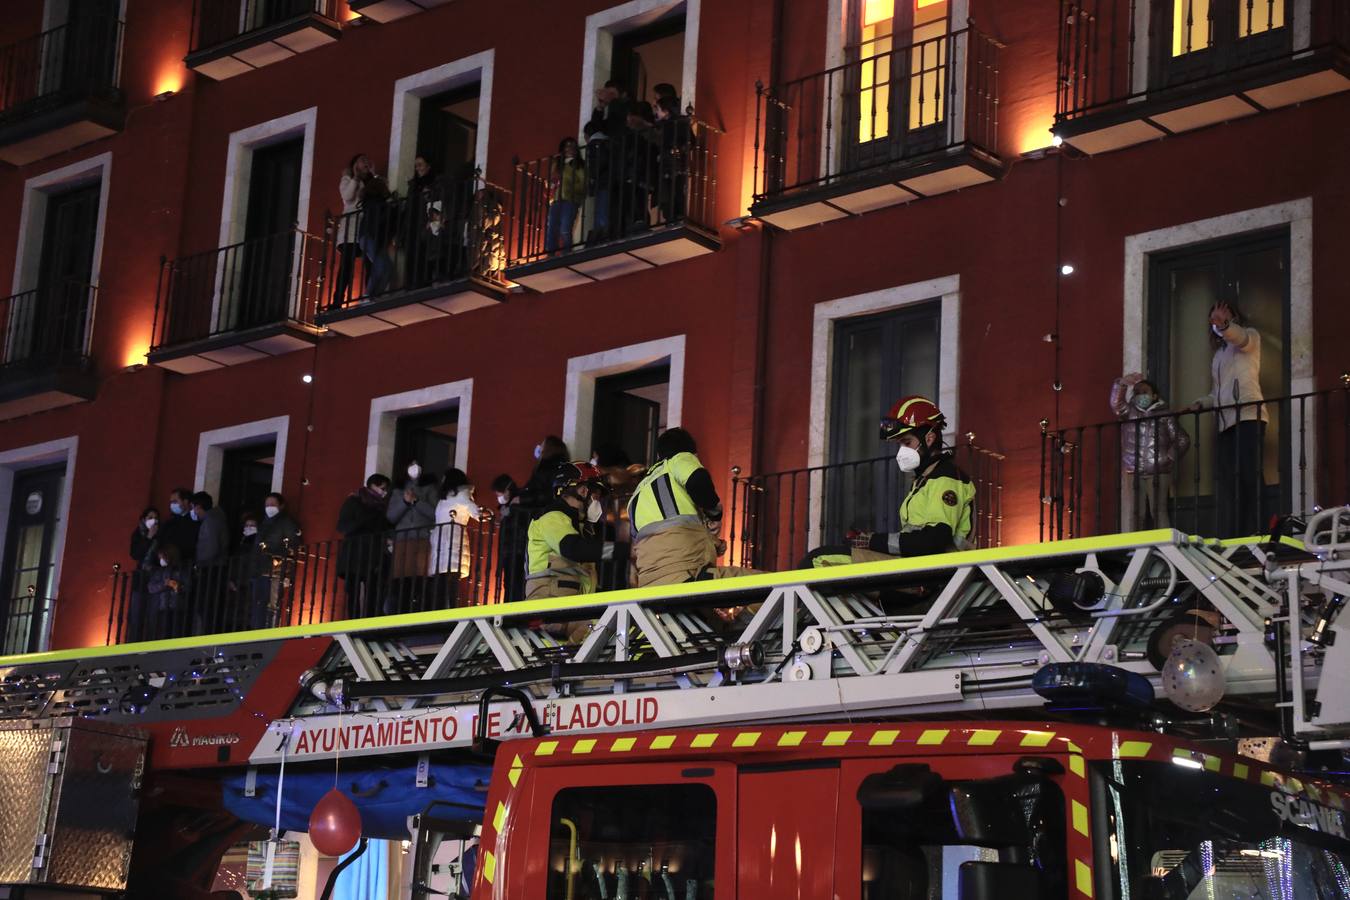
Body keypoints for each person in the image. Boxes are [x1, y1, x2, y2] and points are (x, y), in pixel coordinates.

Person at [808, 397, 975, 566]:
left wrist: (872, 541)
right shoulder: (924, 479)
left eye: (907, 442)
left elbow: (934, 540)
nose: (901, 451)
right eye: (899, 444)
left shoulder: (946, 477)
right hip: (916, 567)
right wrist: (870, 541)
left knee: (817, 559)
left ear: (930, 439)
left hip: (935, 573)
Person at [627, 428, 757, 587]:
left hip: (651, 586)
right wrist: (715, 514)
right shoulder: (678, 459)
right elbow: (697, 480)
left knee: (709, 612)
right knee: (769, 585)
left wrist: (712, 543)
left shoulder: (636, 495)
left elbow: (662, 541)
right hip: (689, 577)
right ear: (692, 453)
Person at [1190, 301, 1268, 538]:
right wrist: (1202, 403)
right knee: (1231, 481)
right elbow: (1217, 392)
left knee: (1249, 475)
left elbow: (1241, 339)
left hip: (1248, 416)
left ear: (1234, 318)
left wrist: (1225, 325)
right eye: (1213, 318)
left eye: (1223, 317)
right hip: (1225, 422)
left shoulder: (1250, 338)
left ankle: (1259, 530)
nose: (1217, 322)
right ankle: (1237, 533)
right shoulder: (1219, 355)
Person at [525, 462, 626, 603]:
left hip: (567, 606)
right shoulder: (552, 517)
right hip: (550, 605)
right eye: (596, 496)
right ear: (583, 491)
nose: (598, 503)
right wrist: (624, 550)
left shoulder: (577, 528)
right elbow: (573, 549)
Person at [1110, 372, 1190, 530]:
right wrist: (1122, 384)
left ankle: (1164, 547)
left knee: (1159, 511)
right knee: (1135, 513)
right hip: (1133, 470)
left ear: (1154, 396)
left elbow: (1182, 439)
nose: (1140, 395)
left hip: (1159, 470)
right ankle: (1134, 550)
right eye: (1137, 392)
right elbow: (1116, 404)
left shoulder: (1165, 415)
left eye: (1144, 392)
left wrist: (1168, 458)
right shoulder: (1129, 412)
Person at [335, 474, 392, 620]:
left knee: (372, 589)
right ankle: (354, 620)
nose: (384, 492)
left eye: (386, 489)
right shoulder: (354, 501)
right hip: (354, 552)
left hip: (373, 554)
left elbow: (385, 527)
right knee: (353, 590)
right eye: (382, 488)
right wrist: (364, 521)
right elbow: (342, 526)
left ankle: (369, 620)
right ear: (373, 485)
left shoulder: (381, 508)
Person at [386, 460, 438, 613]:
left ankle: (416, 607)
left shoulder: (430, 489)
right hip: (401, 538)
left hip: (422, 537)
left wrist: (416, 501)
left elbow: (434, 513)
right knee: (400, 576)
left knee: (418, 575)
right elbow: (391, 517)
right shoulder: (397, 491)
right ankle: (399, 609)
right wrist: (404, 502)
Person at [429, 468, 481, 607]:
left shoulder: (462, 495)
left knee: (450, 581)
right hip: (442, 541)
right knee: (441, 582)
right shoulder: (444, 498)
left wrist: (482, 514)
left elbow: (475, 512)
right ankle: (440, 613)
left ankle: (448, 612)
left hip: (453, 541)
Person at [250, 492, 301, 630]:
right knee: (258, 603)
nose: (269, 507)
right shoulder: (264, 524)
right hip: (260, 569)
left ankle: (268, 630)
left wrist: (279, 559)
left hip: (275, 570)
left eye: (272, 504)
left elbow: (293, 544)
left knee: (271, 603)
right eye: (267, 504)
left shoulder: (286, 522)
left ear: (281, 506)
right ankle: (256, 630)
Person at [491, 474, 529, 602]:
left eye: (499, 494)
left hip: (516, 551)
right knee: (510, 583)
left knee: (514, 583)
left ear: (507, 490)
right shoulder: (508, 508)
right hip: (511, 552)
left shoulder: (518, 505)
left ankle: (512, 615)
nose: (499, 498)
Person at [546, 138, 586, 254]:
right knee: (552, 228)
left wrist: (571, 188)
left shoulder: (579, 165)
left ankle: (567, 252)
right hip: (557, 199)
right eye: (567, 146)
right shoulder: (558, 164)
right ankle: (550, 254)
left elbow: (583, 183)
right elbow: (552, 180)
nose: (569, 148)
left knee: (565, 228)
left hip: (571, 199)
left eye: (572, 146)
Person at [127, 506, 161, 642]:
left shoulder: (161, 536)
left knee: (153, 617)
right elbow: (135, 554)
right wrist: (148, 538)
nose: (153, 521)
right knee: (136, 616)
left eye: (156, 518)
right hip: (140, 580)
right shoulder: (138, 534)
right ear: (143, 519)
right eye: (150, 518)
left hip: (155, 578)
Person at [146, 544, 189, 640]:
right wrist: (164, 584)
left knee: (176, 634)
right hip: (163, 607)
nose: (161, 560)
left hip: (177, 607)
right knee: (163, 634)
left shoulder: (181, 571)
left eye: (163, 557)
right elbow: (151, 587)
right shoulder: (160, 572)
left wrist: (179, 587)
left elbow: (188, 586)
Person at [519, 436, 571, 508]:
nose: (539, 448)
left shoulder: (545, 469)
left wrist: (522, 499)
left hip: (542, 511)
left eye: (542, 445)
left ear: (549, 449)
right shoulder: (564, 466)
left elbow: (544, 494)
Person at [158, 487, 199, 564]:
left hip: (186, 565)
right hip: (167, 564)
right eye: (171, 502)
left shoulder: (195, 521)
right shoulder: (169, 522)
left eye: (175, 502)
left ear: (186, 501)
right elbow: (160, 541)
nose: (172, 505)